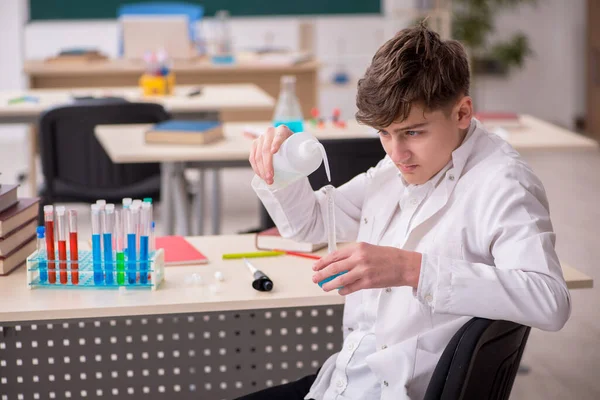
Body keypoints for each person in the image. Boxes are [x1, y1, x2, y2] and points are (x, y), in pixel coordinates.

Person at [237, 23, 571, 400]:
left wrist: (410, 269)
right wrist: (280, 170)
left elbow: (550, 300)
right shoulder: (391, 170)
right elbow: (313, 225)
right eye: (384, 133)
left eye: (413, 132)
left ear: (462, 112)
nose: (396, 154)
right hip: (346, 378)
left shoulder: (502, 182)